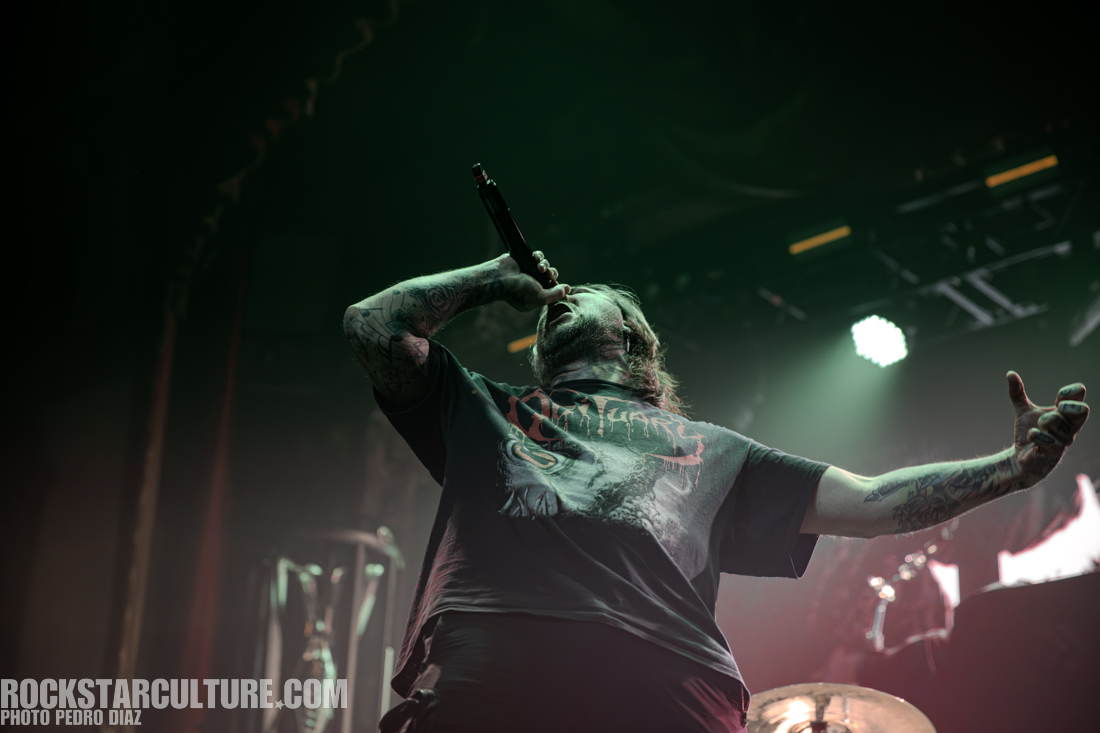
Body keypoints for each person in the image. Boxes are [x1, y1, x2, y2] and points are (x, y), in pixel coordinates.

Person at [342, 251, 1089, 732]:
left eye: (590, 294)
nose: (562, 300)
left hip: (662, 677)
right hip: (496, 652)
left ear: (633, 335)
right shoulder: (483, 406)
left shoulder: (717, 451)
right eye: (552, 306)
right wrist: (491, 277)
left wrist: (1009, 470)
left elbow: (868, 501)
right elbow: (374, 324)